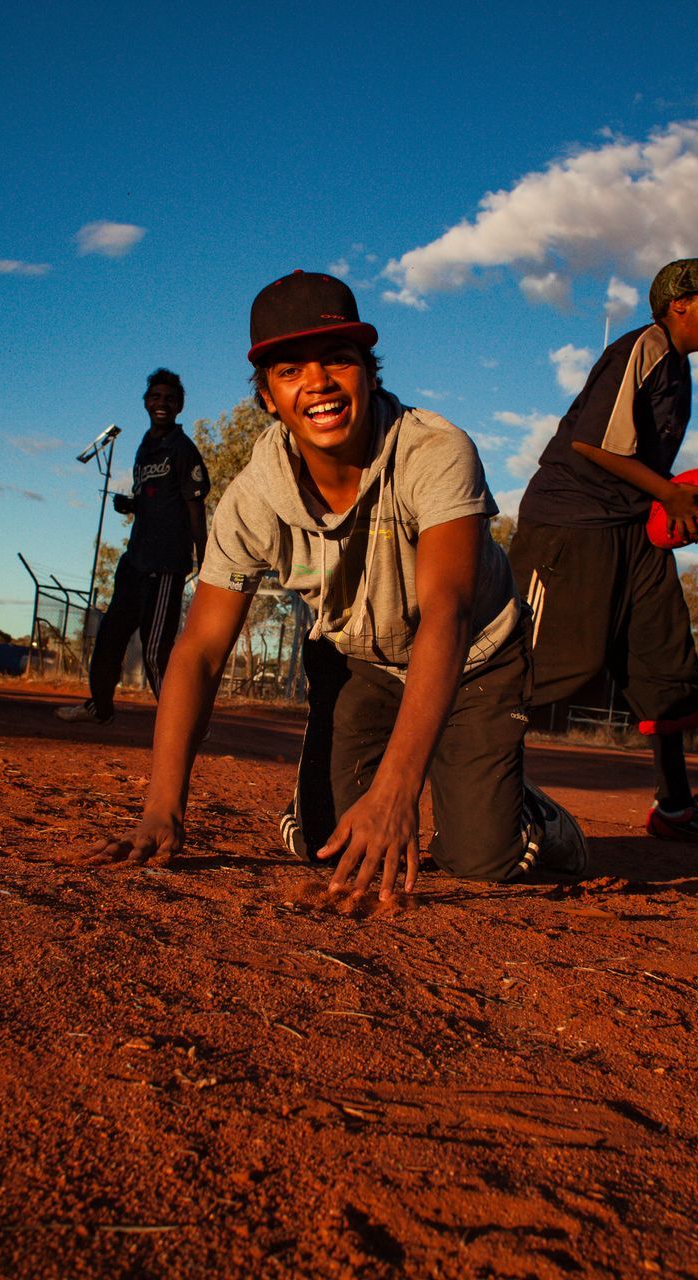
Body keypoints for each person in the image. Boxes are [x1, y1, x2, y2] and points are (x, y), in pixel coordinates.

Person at [88, 271, 584, 898]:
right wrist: (163, 809)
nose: (317, 384)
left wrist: (398, 792)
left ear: (369, 372)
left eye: (337, 362)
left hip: (474, 660)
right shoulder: (254, 498)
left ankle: (524, 812)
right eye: (289, 371)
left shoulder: (436, 452)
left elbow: (448, 614)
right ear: (266, 396)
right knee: (329, 843)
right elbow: (202, 651)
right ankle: (328, 795)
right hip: (362, 663)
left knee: (480, 862)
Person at [508, 257, 698, 849]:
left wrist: (679, 512)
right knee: (536, 664)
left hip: (628, 527)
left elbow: (641, 466)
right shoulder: (642, 347)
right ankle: (475, 783)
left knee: (663, 658)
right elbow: (592, 443)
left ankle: (674, 807)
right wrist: (670, 492)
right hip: (571, 524)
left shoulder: (679, 368)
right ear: (679, 305)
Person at [58, 369, 210, 725]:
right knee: (109, 637)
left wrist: (205, 559)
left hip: (166, 565)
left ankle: (182, 723)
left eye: (169, 399)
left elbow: (193, 506)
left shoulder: (183, 449)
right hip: (135, 561)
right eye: (155, 398)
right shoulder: (145, 444)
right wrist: (132, 504)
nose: (162, 404)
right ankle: (99, 704)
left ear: (179, 406)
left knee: (156, 651)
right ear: (146, 402)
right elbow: (153, 497)